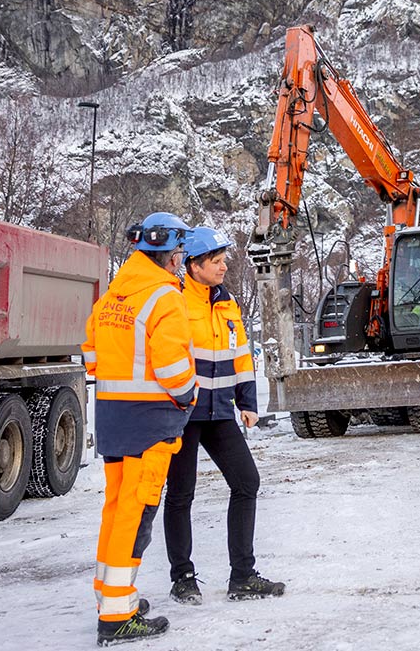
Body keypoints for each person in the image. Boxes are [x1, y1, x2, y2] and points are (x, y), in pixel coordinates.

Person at [84, 212, 197, 646]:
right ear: (167, 253)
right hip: (150, 421)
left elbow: (91, 353)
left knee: (116, 509)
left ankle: (111, 596)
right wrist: (187, 395)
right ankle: (117, 616)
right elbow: (172, 367)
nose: (180, 260)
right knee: (137, 514)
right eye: (178, 251)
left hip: (114, 417)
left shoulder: (115, 295)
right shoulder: (164, 298)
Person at [164, 226, 286, 604]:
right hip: (182, 414)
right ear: (194, 265)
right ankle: (183, 578)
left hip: (219, 413)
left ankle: (243, 576)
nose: (223, 266)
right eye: (216, 261)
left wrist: (247, 401)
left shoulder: (227, 302)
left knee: (247, 482)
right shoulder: (174, 300)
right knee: (181, 494)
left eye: (222, 260)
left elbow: (240, 356)